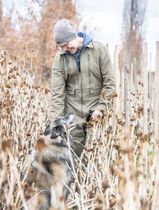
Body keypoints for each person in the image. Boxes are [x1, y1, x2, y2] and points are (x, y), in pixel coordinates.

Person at [48, 18, 116, 158]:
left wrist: (101, 108)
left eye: (66, 44)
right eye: (62, 46)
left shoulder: (99, 50)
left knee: (97, 157)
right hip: (73, 116)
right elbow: (57, 93)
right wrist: (57, 122)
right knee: (72, 157)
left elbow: (110, 84)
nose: (65, 49)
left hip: (96, 113)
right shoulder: (60, 58)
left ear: (73, 36)